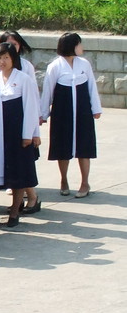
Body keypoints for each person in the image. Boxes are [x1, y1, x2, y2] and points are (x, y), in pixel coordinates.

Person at [0, 43, 41, 228]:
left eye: (6, 57)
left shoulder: (24, 79)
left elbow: (31, 107)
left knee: (17, 172)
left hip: (16, 133)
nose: (2, 61)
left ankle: (15, 212)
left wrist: (28, 134)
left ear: (13, 59)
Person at [39, 32, 102, 198]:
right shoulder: (55, 67)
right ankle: (64, 179)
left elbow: (92, 88)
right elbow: (48, 91)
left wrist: (96, 108)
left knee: (84, 146)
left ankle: (85, 182)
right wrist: (43, 114)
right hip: (62, 110)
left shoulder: (84, 64)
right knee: (63, 145)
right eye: (79, 44)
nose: (82, 47)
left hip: (82, 110)